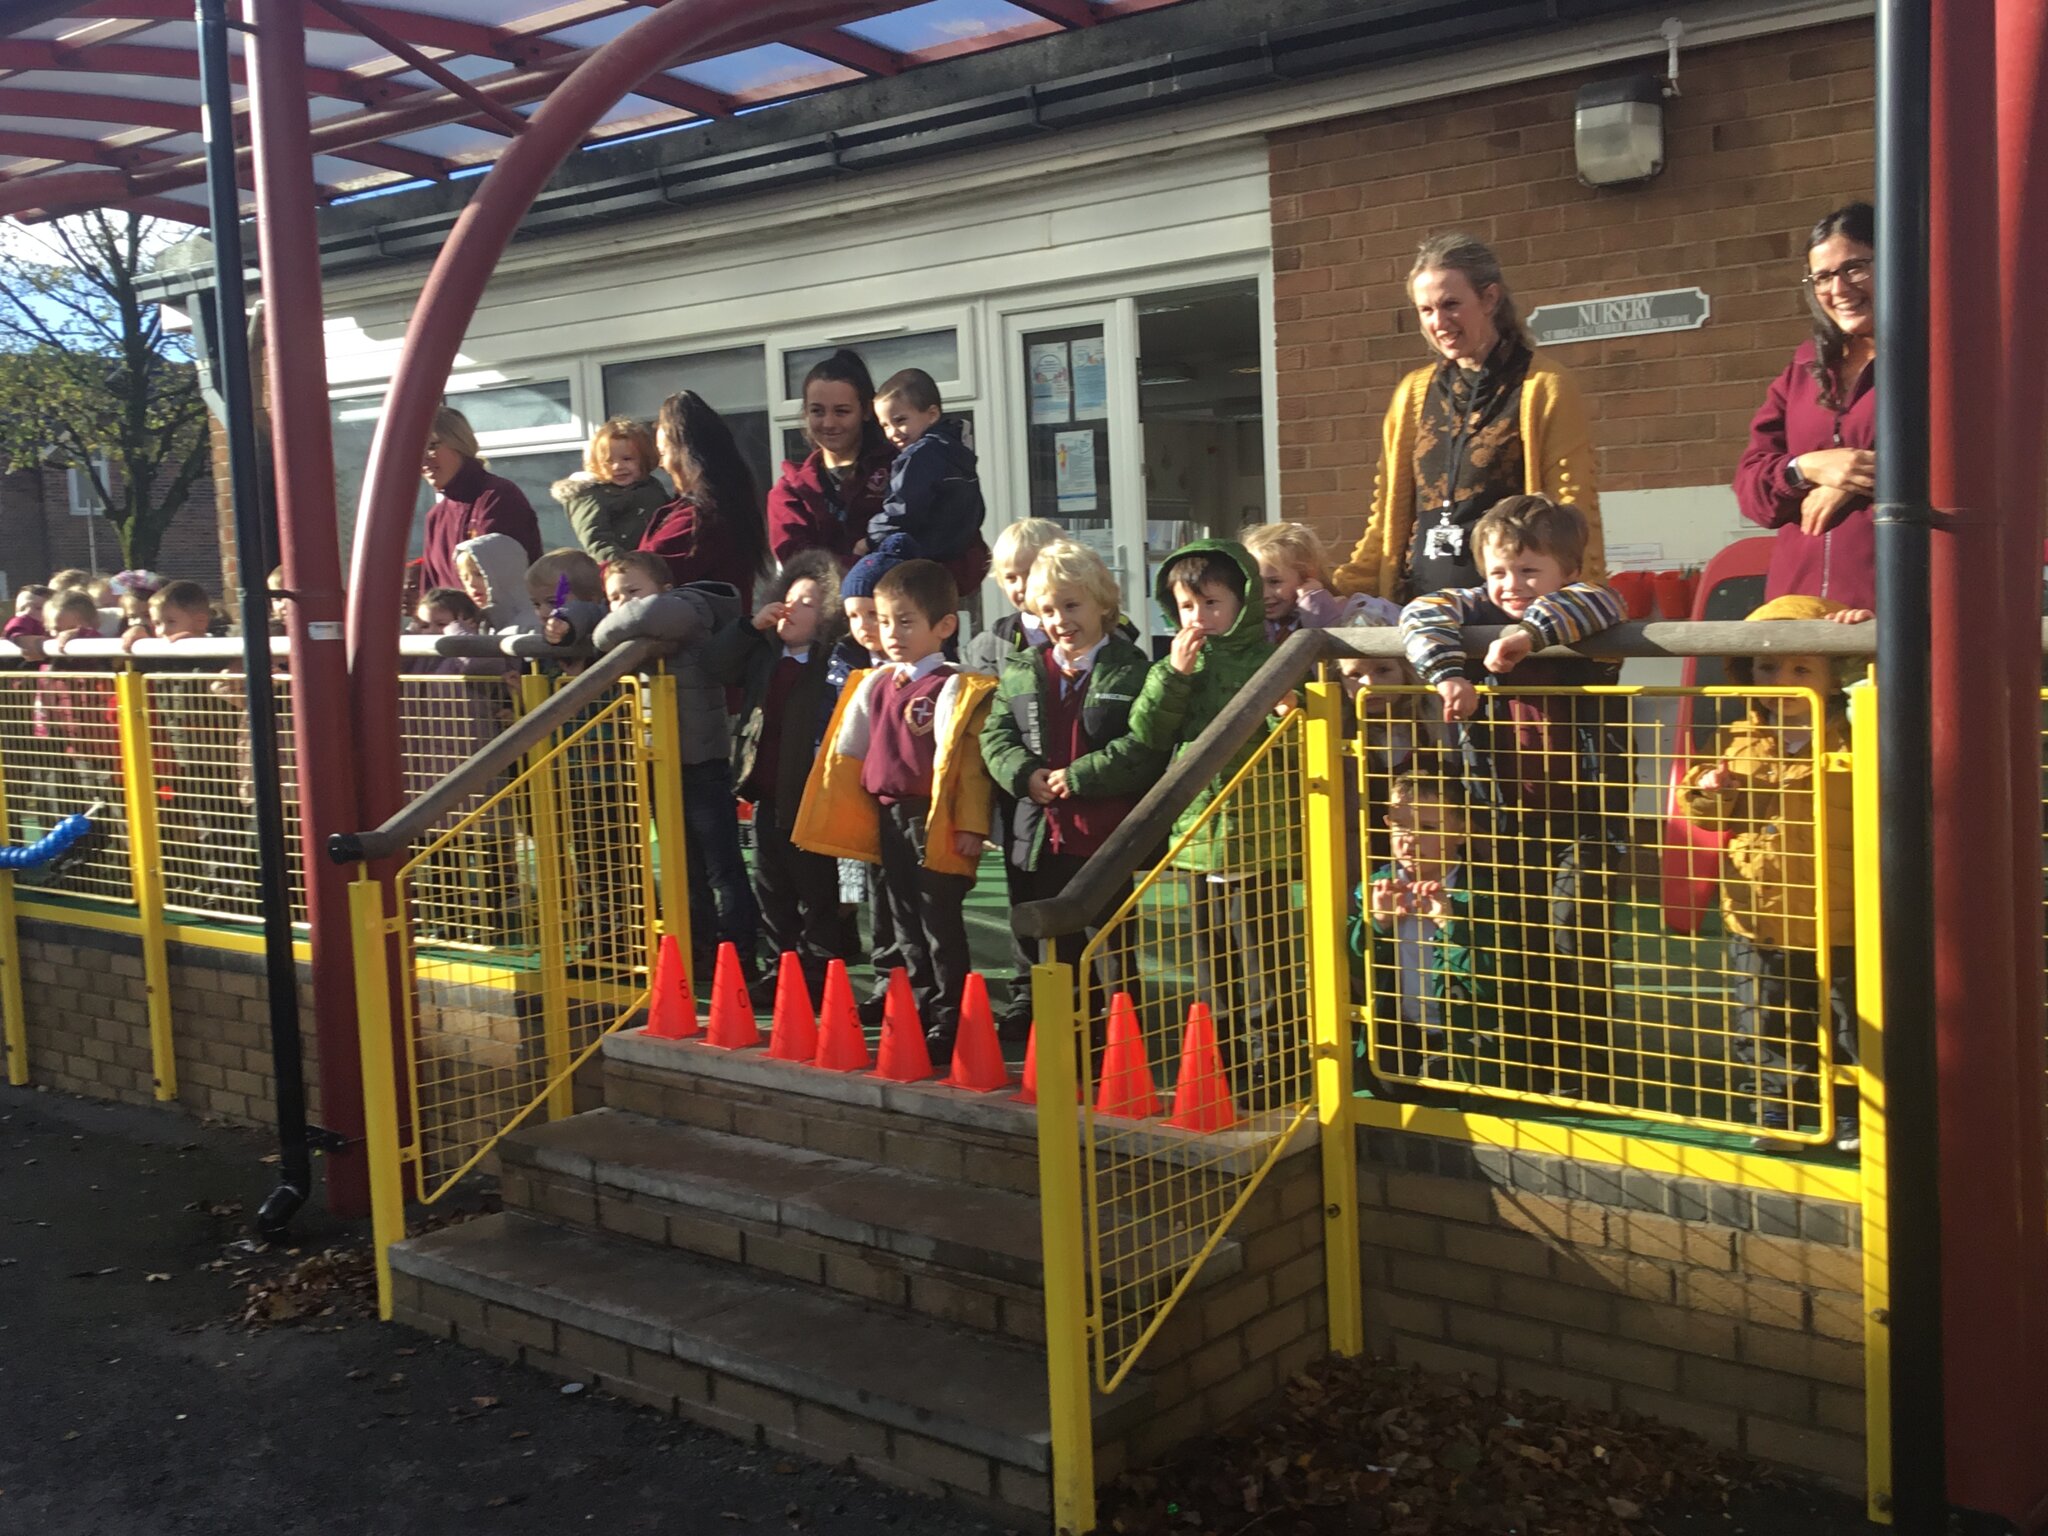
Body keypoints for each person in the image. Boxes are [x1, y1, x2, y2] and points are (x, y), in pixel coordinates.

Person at [1397, 494, 1627, 1098]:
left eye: (1530, 571)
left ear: (1566, 571)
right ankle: (1522, 1063)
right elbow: (1422, 610)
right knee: (1510, 935)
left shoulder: (1585, 606)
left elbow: (1606, 599)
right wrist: (1449, 671)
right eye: (1498, 571)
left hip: (1582, 818)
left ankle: (1584, 1072)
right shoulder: (1474, 609)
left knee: (1571, 935)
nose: (1512, 584)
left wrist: (1526, 635)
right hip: (1502, 817)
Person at [1679, 594, 1863, 1153]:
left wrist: (1865, 643)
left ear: (1835, 678)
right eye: (1767, 666)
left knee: (1850, 1024)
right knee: (1764, 1020)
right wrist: (1709, 792)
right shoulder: (1739, 739)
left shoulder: (1856, 732)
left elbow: (1903, 691)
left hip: (1844, 915)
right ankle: (1777, 1114)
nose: (1782, 680)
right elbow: (1699, 809)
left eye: (1802, 667)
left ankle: (1854, 1119)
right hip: (1758, 914)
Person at [793, 558, 996, 1062]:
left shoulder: (952, 686)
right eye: (885, 622)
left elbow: (969, 767)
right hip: (886, 816)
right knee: (900, 918)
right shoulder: (875, 683)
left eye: (907, 621)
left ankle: (952, 1016)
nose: (892, 633)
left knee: (937, 920)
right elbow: (849, 754)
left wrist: (971, 824)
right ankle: (918, 1005)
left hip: (930, 816)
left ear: (944, 626)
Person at [1332, 233, 1602, 604]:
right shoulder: (1413, 393)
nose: (1439, 322)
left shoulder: (1544, 386)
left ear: (1490, 298)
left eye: (1451, 305)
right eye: (1426, 310)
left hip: (1508, 617)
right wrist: (1338, 590)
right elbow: (1386, 518)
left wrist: (1581, 608)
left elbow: (1572, 509)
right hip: (1422, 615)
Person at [980, 540, 1161, 1036]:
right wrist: (1024, 774)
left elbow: (1143, 744)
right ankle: (1064, 1044)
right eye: (1049, 610)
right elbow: (996, 736)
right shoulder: (1021, 669)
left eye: (1072, 605)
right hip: (1038, 836)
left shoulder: (1133, 668)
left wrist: (1081, 775)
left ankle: (1122, 1045)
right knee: (1053, 951)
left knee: (1111, 948)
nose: (1060, 619)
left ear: (1104, 602)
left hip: (1102, 836)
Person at [1126, 539, 1287, 1087]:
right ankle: (1227, 1063)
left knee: (1266, 960)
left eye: (1212, 604)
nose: (1200, 618)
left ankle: (1278, 1064)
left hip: (1260, 833)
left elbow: (1290, 740)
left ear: (1243, 602)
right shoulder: (1173, 664)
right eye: (1188, 607)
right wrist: (1174, 675)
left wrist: (1289, 711)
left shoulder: (1272, 660)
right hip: (1198, 833)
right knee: (1213, 962)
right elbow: (1149, 732)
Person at [596, 550, 756, 981]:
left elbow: (644, 616)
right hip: (661, 760)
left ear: (664, 588)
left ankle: (740, 949)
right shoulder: (647, 626)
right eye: (614, 596)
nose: (625, 603)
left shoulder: (687, 608)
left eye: (633, 591)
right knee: (682, 860)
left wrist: (602, 628)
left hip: (700, 759)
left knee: (721, 862)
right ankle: (700, 944)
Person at [705, 550, 851, 1006]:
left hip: (812, 798)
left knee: (818, 889)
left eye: (807, 602)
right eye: (788, 598)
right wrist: (750, 626)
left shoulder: (832, 661)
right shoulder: (764, 655)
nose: (791, 608)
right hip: (766, 794)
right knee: (773, 889)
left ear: (828, 613)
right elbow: (716, 664)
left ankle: (819, 970)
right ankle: (781, 966)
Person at [1734, 203, 1878, 611]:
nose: (1839, 289)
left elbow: (1963, 463)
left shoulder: (1938, 359)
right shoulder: (1803, 367)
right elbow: (1751, 490)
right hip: (1797, 615)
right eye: (1823, 277)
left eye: (1855, 268)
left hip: (1892, 613)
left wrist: (1852, 480)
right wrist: (1807, 468)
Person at [1350, 771, 1531, 1092]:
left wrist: (1450, 926)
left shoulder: (1485, 894)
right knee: (1387, 1086)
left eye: (1428, 828)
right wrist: (1376, 925)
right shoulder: (1376, 887)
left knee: (1446, 1086)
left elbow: (1496, 982)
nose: (1409, 839)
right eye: (1400, 825)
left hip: (1465, 1035)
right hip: (1401, 1031)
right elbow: (1349, 969)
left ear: (1461, 831)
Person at [638, 391, 771, 607]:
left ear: (684, 452)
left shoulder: (700, 519)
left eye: (663, 454)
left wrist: (572, 579)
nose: (662, 465)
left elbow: (642, 573)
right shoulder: (725, 507)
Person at [769, 349, 896, 572]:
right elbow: (800, 566)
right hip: (822, 606)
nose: (828, 423)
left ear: (866, 411)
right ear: (805, 414)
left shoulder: (900, 468)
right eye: (817, 411)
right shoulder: (791, 491)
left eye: (841, 411)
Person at [870, 369, 990, 598]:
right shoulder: (957, 451)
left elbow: (902, 509)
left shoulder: (919, 456)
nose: (892, 433)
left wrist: (871, 536)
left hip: (926, 556)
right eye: (884, 425)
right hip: (956, 557)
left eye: (900, 420)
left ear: (932, 414)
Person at [419, 405, 543, 591]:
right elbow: (430, 591)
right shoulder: (435, 516)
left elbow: (498, 582)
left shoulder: (498, 497)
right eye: (416, 452)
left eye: (430, 447)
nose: (423, 460)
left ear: (458, 442)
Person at [1246, 521, 1400, 643]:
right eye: (1256, 583)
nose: (1264, 593)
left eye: (1274, 582)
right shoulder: (1252, 621)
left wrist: (1314, 605)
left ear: (1306, 576)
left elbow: (1331, 659)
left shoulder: (1344, 612)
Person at [554, 417, 669, 565]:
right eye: (608, 461)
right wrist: (621, 566)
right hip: (621, 570)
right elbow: (597, 539)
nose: (617, 467)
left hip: (655, 565)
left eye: (627, 459)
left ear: (644, 459)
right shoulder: (591, 494)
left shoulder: (651, 487)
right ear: (595, 463)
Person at [962, 517, 1065, 678]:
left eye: (1030, 573)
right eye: (1011, 578)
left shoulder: (1083, 631)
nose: (1021, 586)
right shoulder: (986, 645)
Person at [453, 534, 540, 635]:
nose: (471, 584)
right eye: (465, 578)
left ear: (506, 573)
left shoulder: (532, 625)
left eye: (480, 574)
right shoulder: (480, 624)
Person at [530, 548, 608, 649]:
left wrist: (565, 619)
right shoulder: (545, 629)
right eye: (536, 604)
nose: (542, 613)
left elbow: (581, 613)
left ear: (591, 598)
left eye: (553, 602)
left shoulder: (596, 614)